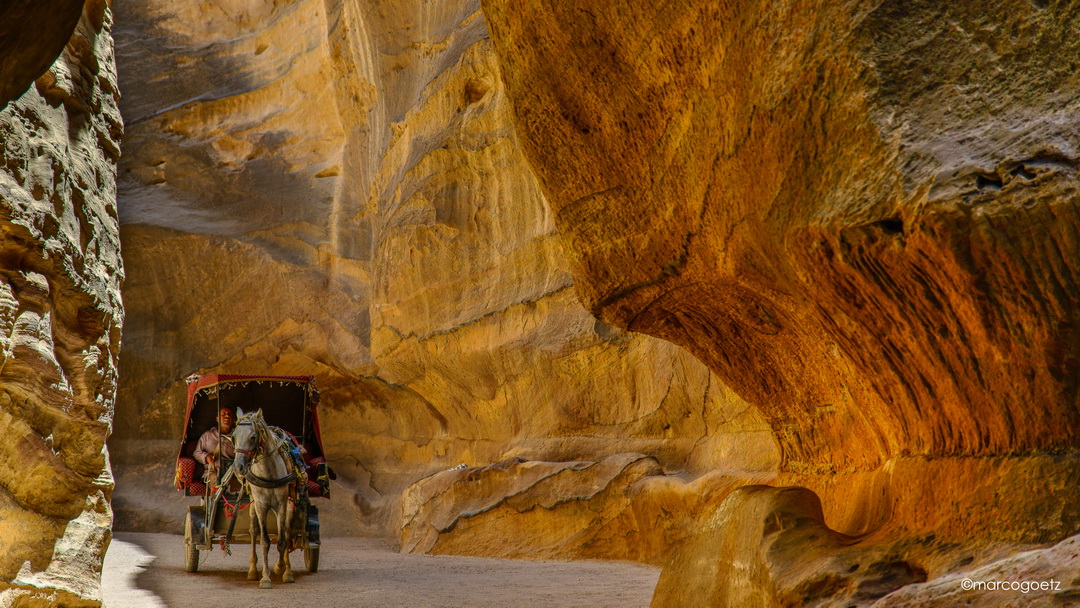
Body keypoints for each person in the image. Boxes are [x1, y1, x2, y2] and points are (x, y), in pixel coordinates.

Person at [193, 406, 236, 485]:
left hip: (233, 472)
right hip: (213, 472)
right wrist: (206, 457)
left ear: (233, 420)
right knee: (217, 482)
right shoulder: (207, 436)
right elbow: (196, 453)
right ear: (217, 419)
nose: (227, 416)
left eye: (229, 415)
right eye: (223, 414)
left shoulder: (237, 437)